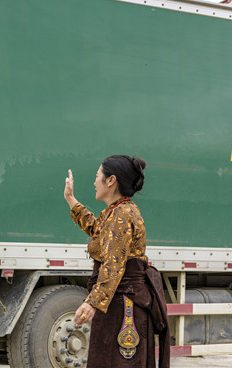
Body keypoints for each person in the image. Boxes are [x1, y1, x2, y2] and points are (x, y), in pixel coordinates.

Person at [63, 155, 169, 368]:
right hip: (120, 301)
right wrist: (71, 199)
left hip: (123, 306)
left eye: (97, 176)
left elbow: (113, 265)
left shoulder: (121, 214)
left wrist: (92, 303)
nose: (94, 182)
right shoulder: (119, 210)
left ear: (111, 180)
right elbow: (97, 229)